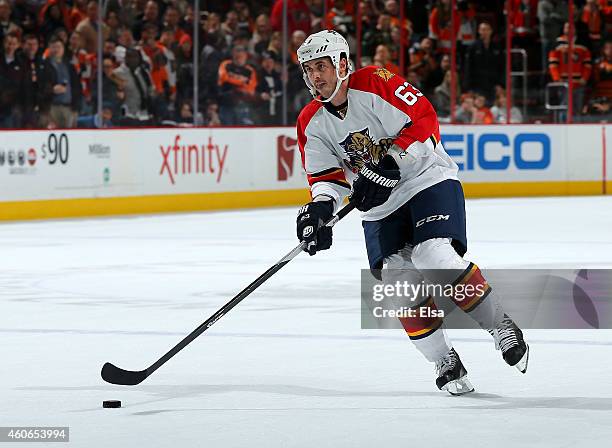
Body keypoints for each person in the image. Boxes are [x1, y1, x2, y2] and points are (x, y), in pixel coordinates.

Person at [294, 30, 529, 395]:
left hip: (424, 179)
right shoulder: (311, 120)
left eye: (321, 66)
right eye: (309, 70)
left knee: (432, 254)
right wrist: (318, 211)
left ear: (342, 63)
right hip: (380, 207)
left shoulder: (376, 81)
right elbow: (326, 178)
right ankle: (444, 360)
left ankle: (502, 326)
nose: (315, 76)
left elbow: (424, 118)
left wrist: (393, 161)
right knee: (398, 282)